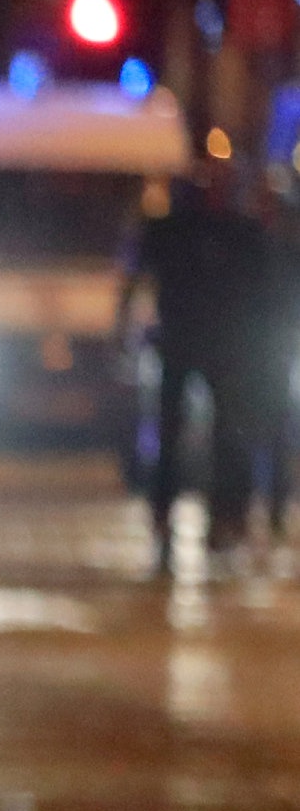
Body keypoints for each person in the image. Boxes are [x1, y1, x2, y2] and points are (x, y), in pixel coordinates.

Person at [121, 162, 281, 574]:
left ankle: (226, 521)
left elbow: (265, 295)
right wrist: (125, 329)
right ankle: (165, 523)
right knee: (171, 437)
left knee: (230, 436)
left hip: (226, 349)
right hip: (181, 343)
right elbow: (135, 279)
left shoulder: (241, 232)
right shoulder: (170, 229)